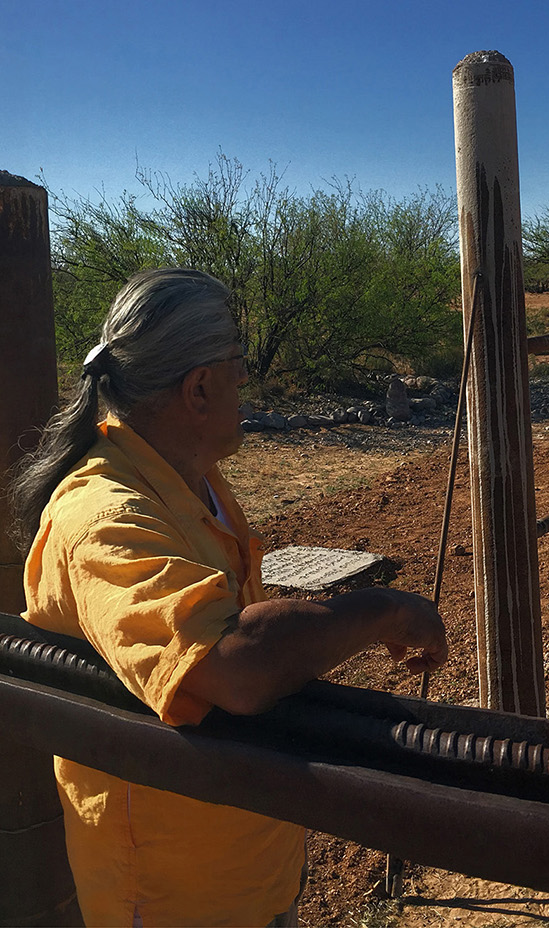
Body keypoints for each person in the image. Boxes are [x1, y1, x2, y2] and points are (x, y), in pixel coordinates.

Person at [9, 268, 448, 927]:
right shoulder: (104, 522)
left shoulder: (191, 477)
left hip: (247, 875)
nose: (246, 383)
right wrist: (384, 611)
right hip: (174, 899)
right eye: (238, 365)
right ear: (200, 386)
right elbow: (231, 665)